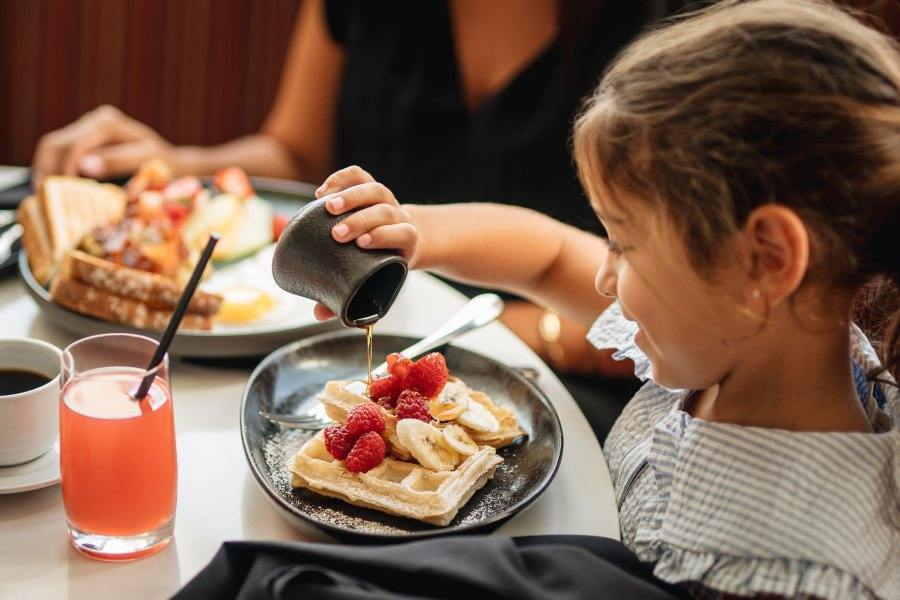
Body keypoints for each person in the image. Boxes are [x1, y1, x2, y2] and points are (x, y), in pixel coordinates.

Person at [307, 0, 900, 597]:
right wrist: (413, 233)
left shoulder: (811, 578)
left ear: (767, 260)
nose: (602, 276)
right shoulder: (734, 337)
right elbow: (551, 255)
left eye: (624, 243)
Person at [31, 0, 664, 437]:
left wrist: (479, 336)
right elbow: (296, 155)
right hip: (356, 339)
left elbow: (682, 299)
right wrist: (181, 166)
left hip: (567, 374)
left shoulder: (676, 31)